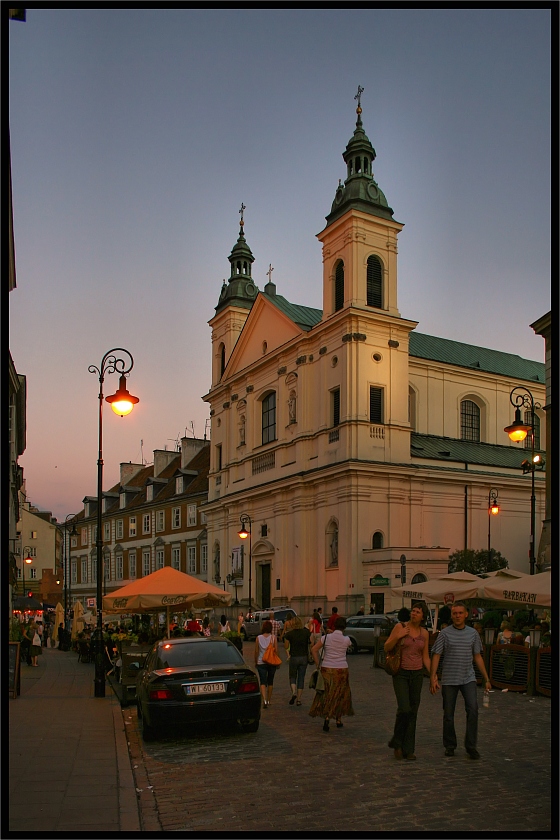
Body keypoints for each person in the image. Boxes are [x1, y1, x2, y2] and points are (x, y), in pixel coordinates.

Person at [430, 602, 492, 760]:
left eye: (460, 613)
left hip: (468, 678)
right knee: (448, 714)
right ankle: (450, 745)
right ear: (452, 615)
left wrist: (486, 678)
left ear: (466, 614)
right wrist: (433, 676)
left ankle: (471, 746)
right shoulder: (445, 633)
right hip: (450, 678)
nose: (457, 616)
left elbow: (477, 656)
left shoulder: (473, 634)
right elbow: (436, 654)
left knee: (473, 709)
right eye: (454, 613)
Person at [384, 604, 431, 760]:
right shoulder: (400, 626)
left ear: (423, 616)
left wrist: (433, 675)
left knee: (413, 711)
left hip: (417, 674)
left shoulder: (424, 633)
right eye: (413, 611)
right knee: (404, 708)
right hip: (401, 673)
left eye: (418, 612)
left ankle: (408, 749)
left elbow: (425, 656)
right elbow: (386, 647)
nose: (414, 614)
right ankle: (397, 742)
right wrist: (399, 636)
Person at [309, 616, 354, 731]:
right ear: (344, 627)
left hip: (327, 668)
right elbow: (345, 643)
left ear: (334, 626)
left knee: (328, 694)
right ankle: (338, 719)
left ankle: (327, 717)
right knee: (340, 694)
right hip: (342, 669)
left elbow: (314, 650)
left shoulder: (326, 638)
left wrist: (318, 663)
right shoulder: (347, 640)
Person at [283, 616, 311, 706]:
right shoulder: (306, 632)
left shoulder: (289, 634)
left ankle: (293, 692)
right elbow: (311, 643)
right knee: (301, 678)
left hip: (294, 657)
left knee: (292, 676)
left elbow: (286, 646)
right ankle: (299, 699)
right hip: (304, 657)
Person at [255, 620, 279, 708]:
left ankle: (264, 700)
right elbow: (276, 651)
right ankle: (268, 700)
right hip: (271, 662)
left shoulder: (258, 638)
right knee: (270, 681)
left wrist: (255, 661)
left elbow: (256, 651)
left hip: (261, 661)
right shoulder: (273, 637)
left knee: (262, 682)